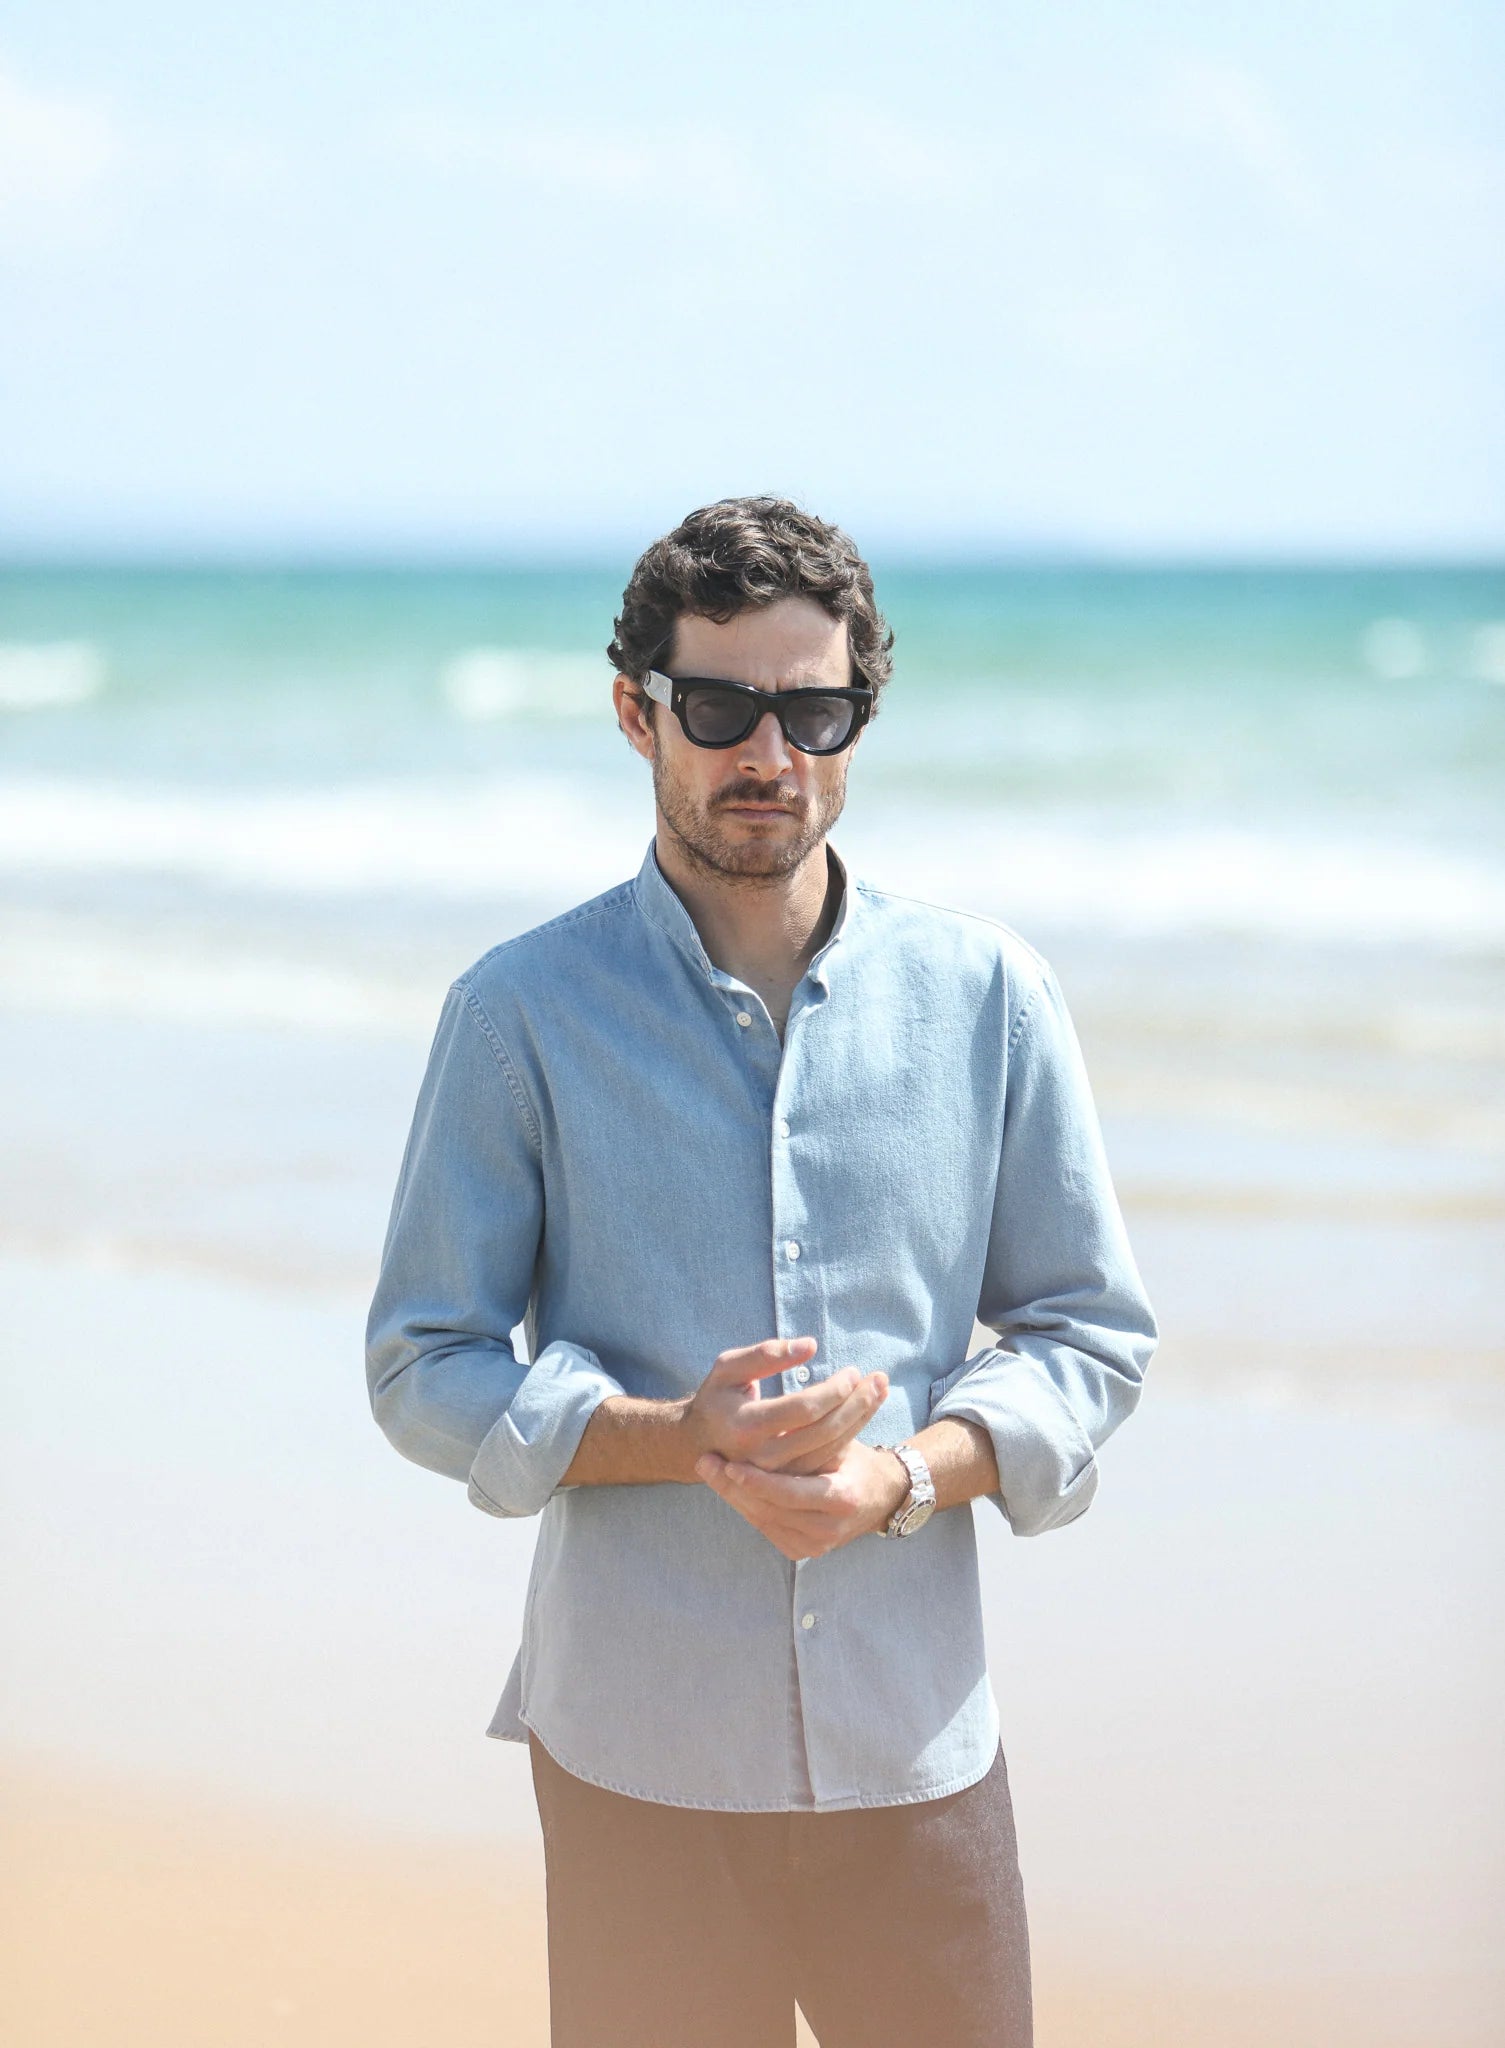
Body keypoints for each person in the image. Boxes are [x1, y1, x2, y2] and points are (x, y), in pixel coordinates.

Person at [365, 495, 1158, 2047]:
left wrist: (902, 1478)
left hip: (913, 1745)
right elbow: (421, 1363)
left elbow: (1087, 1333)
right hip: (635, 1755)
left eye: (813, 710)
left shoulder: (990, 997)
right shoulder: (519, 1014)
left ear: (858, 718)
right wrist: (677, 1439)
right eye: (720, 708)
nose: (768, 753)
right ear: (636, 713)